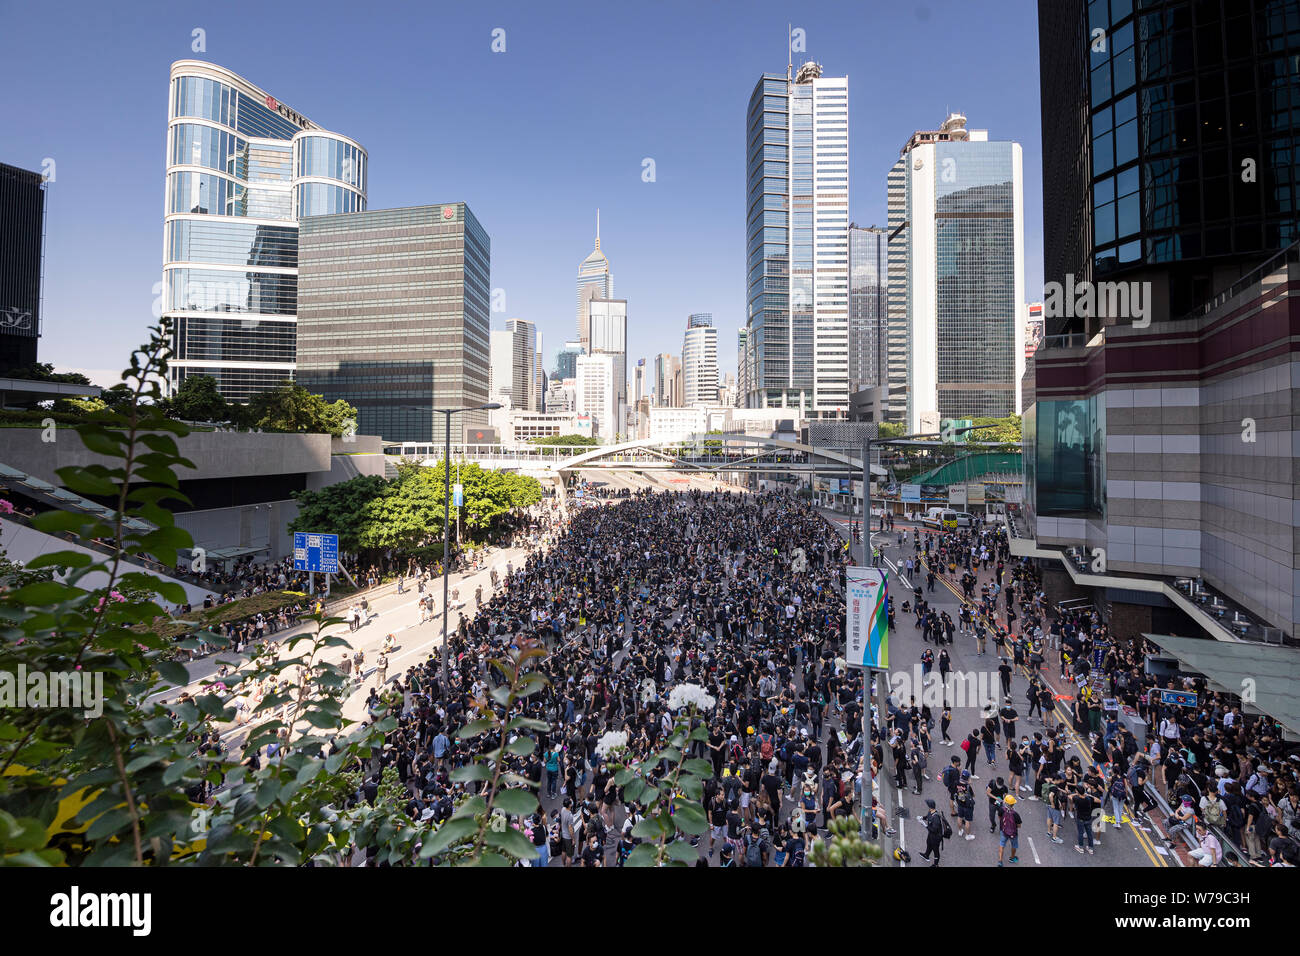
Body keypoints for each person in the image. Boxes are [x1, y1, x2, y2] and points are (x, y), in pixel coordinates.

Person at [997, 793, 1021, 866]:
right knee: (1014, 845)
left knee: (1002, 844)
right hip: (1013, 833)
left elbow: (999, 818)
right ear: (1013, 804)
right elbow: (1019, 825)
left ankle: (1000, 861)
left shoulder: (1001, 809)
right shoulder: (1015, 814)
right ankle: (1012, 858)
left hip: (1003, 830)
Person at [919, 798, 944, 866]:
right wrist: (922, 817)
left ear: (930, 806)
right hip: (931, 835)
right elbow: (928, 817)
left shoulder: (936, 818)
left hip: (936, 837)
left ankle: (936, 865)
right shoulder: (931, 811)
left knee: (936, 851)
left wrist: (924, 825)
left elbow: (934, 830)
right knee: (928, 843)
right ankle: (926, 855)